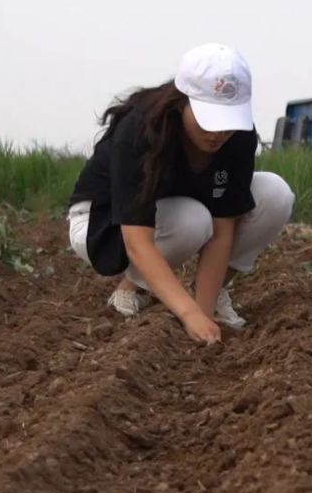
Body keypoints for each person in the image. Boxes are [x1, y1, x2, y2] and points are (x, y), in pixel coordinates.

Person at [66, 43, 295, 345]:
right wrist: (189, 315)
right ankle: (133, 286)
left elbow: (223, 229)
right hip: (102, 223)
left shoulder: (237, 137)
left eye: (227, 122)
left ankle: (212, 296)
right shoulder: (140, 130)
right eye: (208, 119)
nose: (218, 133)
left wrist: (204, 312)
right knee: (194, 220)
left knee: (275, 194)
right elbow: (137, 241)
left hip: (178, 212)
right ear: (181, 102)